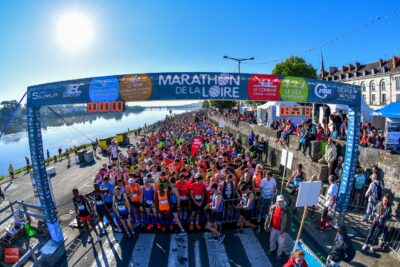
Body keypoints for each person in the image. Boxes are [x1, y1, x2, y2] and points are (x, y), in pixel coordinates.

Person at [264, 195, 292, 260]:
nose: (280, 203)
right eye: (279, 201)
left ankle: (279, 254)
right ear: (276, 201)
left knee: (281, 244)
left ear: (284, 201)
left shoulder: (287, 210)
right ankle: (272, 249)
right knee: (271, 240)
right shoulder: (273, 207)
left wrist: (285, 232)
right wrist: (266, 225)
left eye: (281, 201)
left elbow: (289, 222)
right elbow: (269, 216)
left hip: (281, 230)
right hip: (273, 228)